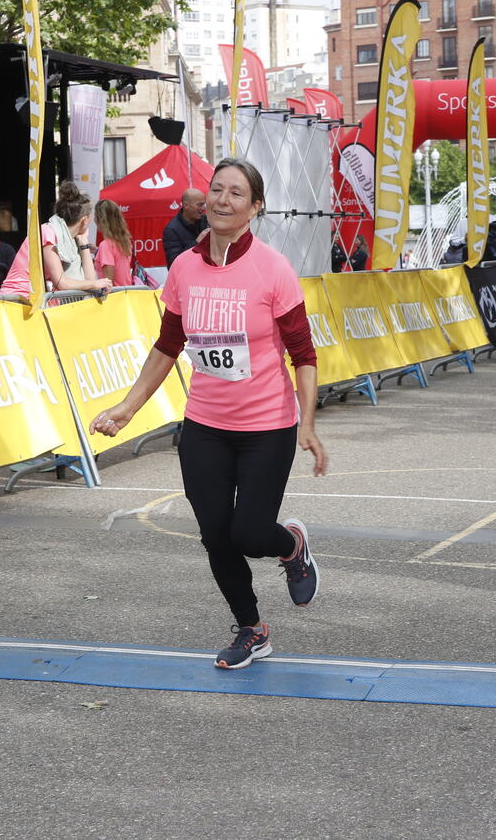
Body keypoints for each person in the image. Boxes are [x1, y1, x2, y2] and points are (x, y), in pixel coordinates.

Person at [89, 158, 327, 671]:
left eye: (236, 193)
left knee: (249, 533)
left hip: (267, 425)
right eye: (216, 190)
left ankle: (291, 544)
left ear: (254, 208)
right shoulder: (184, 269)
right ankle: (252, 628)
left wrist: (306, 425)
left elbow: (304, 356)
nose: (222, 200)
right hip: (205, 426)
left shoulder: (272, 269)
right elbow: (167, 346)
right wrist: (127, 409)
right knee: (215, 534)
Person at [1, 181, 112, 297]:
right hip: (16, 301)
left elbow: (88, 279)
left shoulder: (69, 238)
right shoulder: (48, 232)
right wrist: (95, 283)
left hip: (32, 300)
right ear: (84, 220)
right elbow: (62, 282)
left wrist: (84, 244)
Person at [162, 187, 207, 268]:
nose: (203, 208)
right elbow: (173, 264)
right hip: (188, 277)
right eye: (199, 205)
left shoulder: (207, 220)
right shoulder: (171, 230)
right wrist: (196, 243)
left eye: (204, 204)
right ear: (186, 205)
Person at [94, 199, 134, 287]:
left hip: (114, 297)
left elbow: (108, 282)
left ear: (100, 220)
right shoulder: (124, 241)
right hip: (126, 293)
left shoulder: (105, 245)